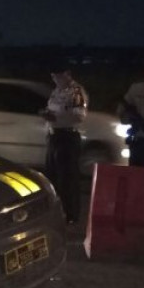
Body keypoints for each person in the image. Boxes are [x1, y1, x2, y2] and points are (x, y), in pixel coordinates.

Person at [40, 67, 88, 224]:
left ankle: (71, 215)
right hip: (54, 136)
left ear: (67, 74)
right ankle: (58, 213)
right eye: (53, 76)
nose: (55, 79)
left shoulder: (76, 91)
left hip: (67, 137)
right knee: (52, 177)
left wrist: (55, 118)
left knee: (67, 179)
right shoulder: (57, 91)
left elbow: (79, 116)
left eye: (58, 75)